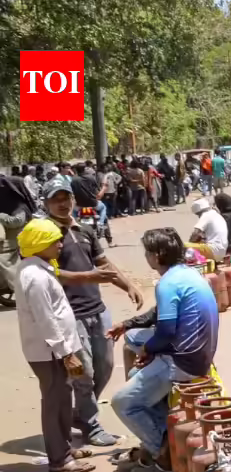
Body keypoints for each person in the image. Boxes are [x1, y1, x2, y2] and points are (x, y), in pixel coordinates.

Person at [109, 228, 219, 472]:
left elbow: (167, 330)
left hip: (183, 361)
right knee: (133, 345)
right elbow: (159, 316)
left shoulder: (167, 283)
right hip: (196, 352)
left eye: (147, 252)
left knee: (122, 402)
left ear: (157, 255)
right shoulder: (187, 274)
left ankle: (161, 455)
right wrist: (128, 325)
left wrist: (149, 350)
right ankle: (161, 435)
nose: (146, 257)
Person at [45, 177, 144, 447]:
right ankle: (91, 424)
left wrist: (128, 285)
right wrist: (89, 276)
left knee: (106, 366)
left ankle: (80, 413)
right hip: (69, 314)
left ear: (73, 200)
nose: (63, 204)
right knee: (84, 371)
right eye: (56, 199)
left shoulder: (86, 230)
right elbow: (50, 273)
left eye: (66, 198)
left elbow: (104, 264)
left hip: (98, 311)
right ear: (46, 204)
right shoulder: (46, 236)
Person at [15, 219, 94, 472]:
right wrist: (67, 353)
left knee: (62, 400)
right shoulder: (35, 277)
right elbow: (46, 319)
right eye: (54, 241)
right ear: (40, 244)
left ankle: (64, 448)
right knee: (54, 402)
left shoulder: (41, 268)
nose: (60, 244)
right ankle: (59, 461)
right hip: (49, 352)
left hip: (55, 350)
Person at [0, 172, 37, 308]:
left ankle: (21, 289)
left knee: (4, 261)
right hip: (8, 239)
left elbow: (17, 221)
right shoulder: (6, 204)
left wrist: (1, 216)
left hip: (14, 241)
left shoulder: (19, 206)